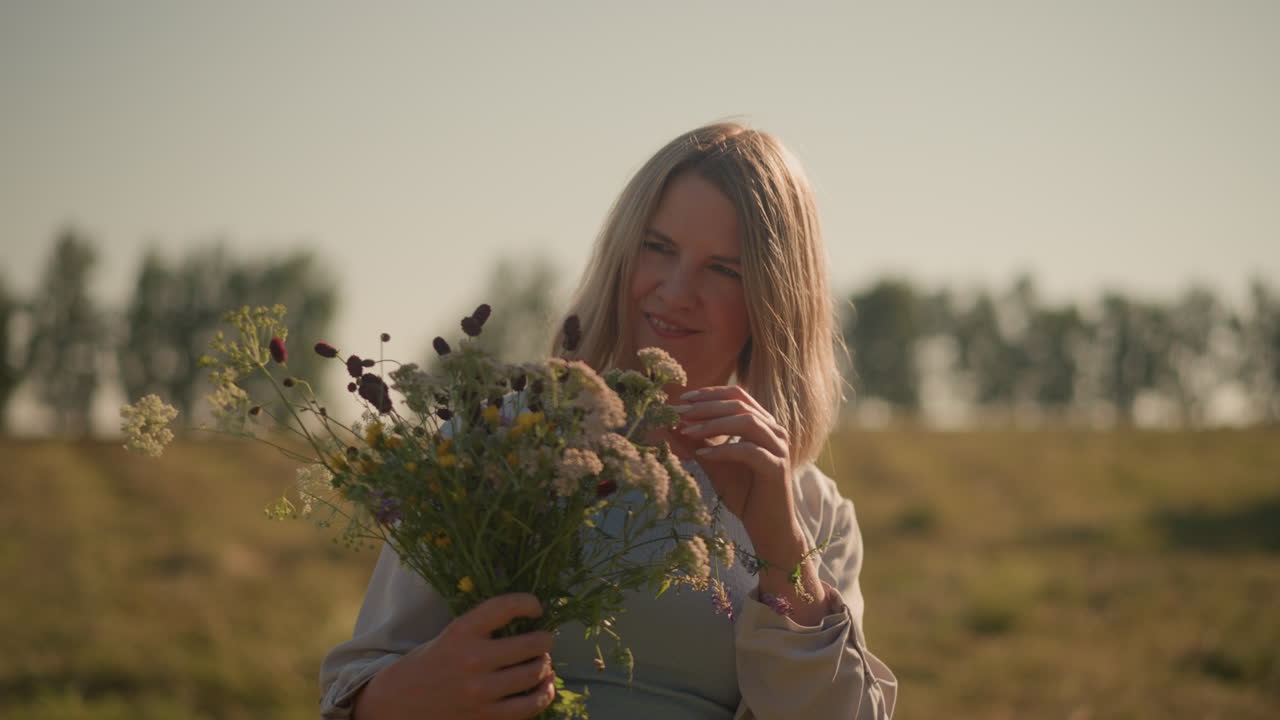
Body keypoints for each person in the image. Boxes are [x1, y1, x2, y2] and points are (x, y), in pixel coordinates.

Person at [319, 122, 897, 719]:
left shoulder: (812, 510)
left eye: (724, 269)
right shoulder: (498, 441)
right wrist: (424, 688)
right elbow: (356, 695)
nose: (676, 291)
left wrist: (782, 550)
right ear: (623, 251)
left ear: (774, 300)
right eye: (659, 248)